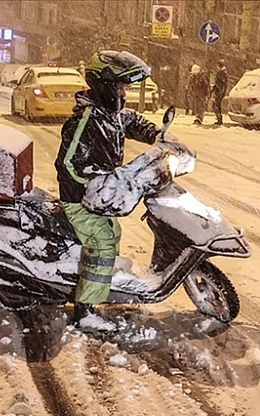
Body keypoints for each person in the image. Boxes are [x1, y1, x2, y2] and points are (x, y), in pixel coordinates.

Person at [54, 50, 160, 330]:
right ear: (105, 85)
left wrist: (157, 135)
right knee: (101, 241)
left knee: (112, 232)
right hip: (80, 199)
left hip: (99, 198)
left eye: (125, 88)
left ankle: (95, 281)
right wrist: (93, 184)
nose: (123, 93)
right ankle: (85, 311)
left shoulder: (109, 114)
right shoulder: (86, 120)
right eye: (120, 87)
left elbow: (131, 121)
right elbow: (67, 162)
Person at [211, 59, 228, 125]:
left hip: (219, 91)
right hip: (219, 91)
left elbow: (222, 83)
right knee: (216, 105)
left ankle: (219, 119)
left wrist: (219, 89)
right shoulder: (222, 72)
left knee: (216, 105)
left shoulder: (223, 72)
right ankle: (219, 118)